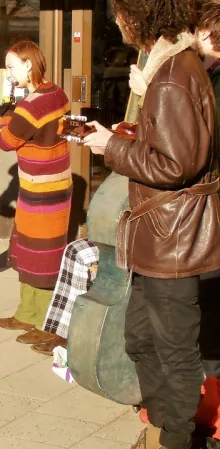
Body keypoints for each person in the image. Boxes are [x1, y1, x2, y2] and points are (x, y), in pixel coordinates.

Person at [82, 1, 218, 448]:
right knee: (139, 337)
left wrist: (110, 149)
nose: (116, 20)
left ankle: (173, 440)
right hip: (157, 234)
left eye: (121, 12)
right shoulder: (169, 69)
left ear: (140, 16)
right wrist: (125, 138)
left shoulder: (174, 75)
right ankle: (161, 424)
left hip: (172, 238)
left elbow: (178, 164)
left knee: (175, 353)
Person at [0, 40, 72, 346]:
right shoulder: (57, 93)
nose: (8, 73)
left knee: (43, 257)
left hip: (43, 189)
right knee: (31, 251)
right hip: (50, 184)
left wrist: (5, 114)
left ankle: (46, 321)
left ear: (28, 64)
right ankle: (28, 312)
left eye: (12, 66)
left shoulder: (31, 105)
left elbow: (5, 140)